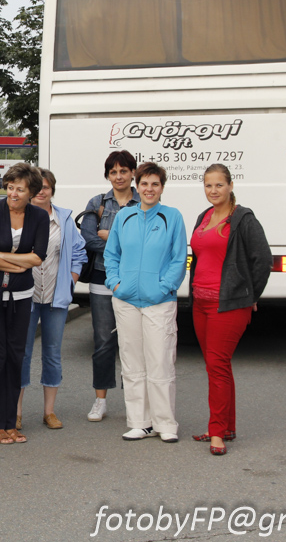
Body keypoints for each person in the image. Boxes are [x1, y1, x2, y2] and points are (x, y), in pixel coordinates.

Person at [189, 163, 271, 456]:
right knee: (218, 366)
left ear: (230, 186)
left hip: (228, 305)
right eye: (208, 185)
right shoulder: (204, 216)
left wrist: (249, 295)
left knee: (217, 365)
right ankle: (227, 427)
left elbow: (263, 260)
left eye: (219, 185)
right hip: (200, 303)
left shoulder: (243, 219)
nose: (213, 190)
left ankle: (216, 433)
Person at [104, 162, 187, 444]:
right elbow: (111, 254)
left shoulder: (172, 217)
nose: (149, 189)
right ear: (136, 186)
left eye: (155, 184)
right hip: (126, 301)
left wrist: (163, 288)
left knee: (160, 362)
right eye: (144, 183)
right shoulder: (124, 217)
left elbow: (179, 259)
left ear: (162, 188)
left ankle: (165, 423)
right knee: (132, 364)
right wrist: (115, 284)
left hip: (159, 302)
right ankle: (140, 422)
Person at [0, 163, 49, 445]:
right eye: (10, 187)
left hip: (21, 295)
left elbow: (38, 257)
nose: (13, 193)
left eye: (20, 189)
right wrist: (19, 263)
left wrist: (6, 258)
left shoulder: (39, 216)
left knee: (16, 357)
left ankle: (10, 422)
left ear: (32, 192)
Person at [16, 168, 86, 430]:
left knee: (52, 354)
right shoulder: (20, 217)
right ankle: (16, 411)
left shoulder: (64, 219)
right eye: (37, 187)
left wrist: (70, 282)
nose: (41, 191)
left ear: (52, 190)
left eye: (46, 187)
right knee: (22, 353)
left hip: (56, 297)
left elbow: (79, 253)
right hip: (25, 296)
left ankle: (49, 412)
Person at [80, 150, 140, 422]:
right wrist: (124, 242)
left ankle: (135, 401)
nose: (119, 176)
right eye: (113, 172)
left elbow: (146, 242)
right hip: (102, 279)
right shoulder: (97, 202)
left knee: (133, 343)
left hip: (135, 281)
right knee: (104, 342)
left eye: (123, 171)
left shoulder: (143, 201)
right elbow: (89, 239)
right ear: (107, 175)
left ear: (132, 173)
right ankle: (100, 401)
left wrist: (109, 235)